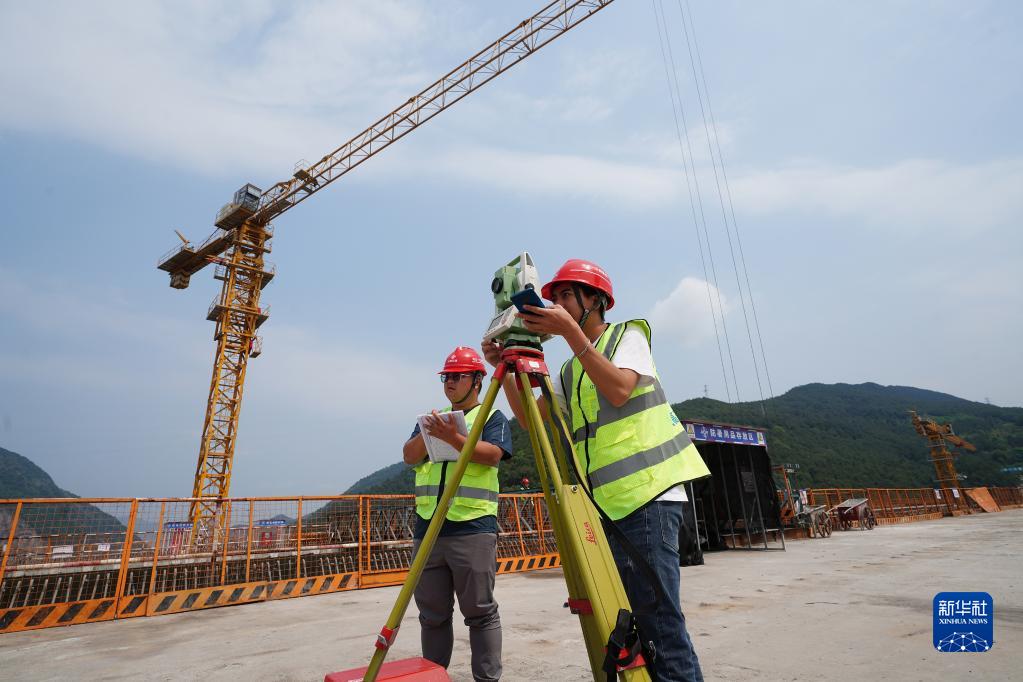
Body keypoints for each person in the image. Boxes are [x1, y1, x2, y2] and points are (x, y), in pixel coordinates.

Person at [482, 259, 711, 682]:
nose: (558, 304)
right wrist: (510, 369)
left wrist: (570, 335)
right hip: (608, 508)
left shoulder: (627, 335)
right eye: (553, 298)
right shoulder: (571, 369)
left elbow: (620, 389)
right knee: (631, 624)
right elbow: (532, 418)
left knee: (661, 626)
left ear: (597, 300)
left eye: (567, 295)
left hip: (649, 497)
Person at [402, 346, 513, 682]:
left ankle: (487, 678)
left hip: (472, 526)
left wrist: (454, 437)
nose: (449, 382)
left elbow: (493, 455)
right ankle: (435, 675)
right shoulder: (430, 421)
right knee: (431, 614)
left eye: (456, 376)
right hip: (428, 529)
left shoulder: (491, 417)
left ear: (477, 380)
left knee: (480, 611)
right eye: (445, 377)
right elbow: (409, 456)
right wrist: (429, 433)